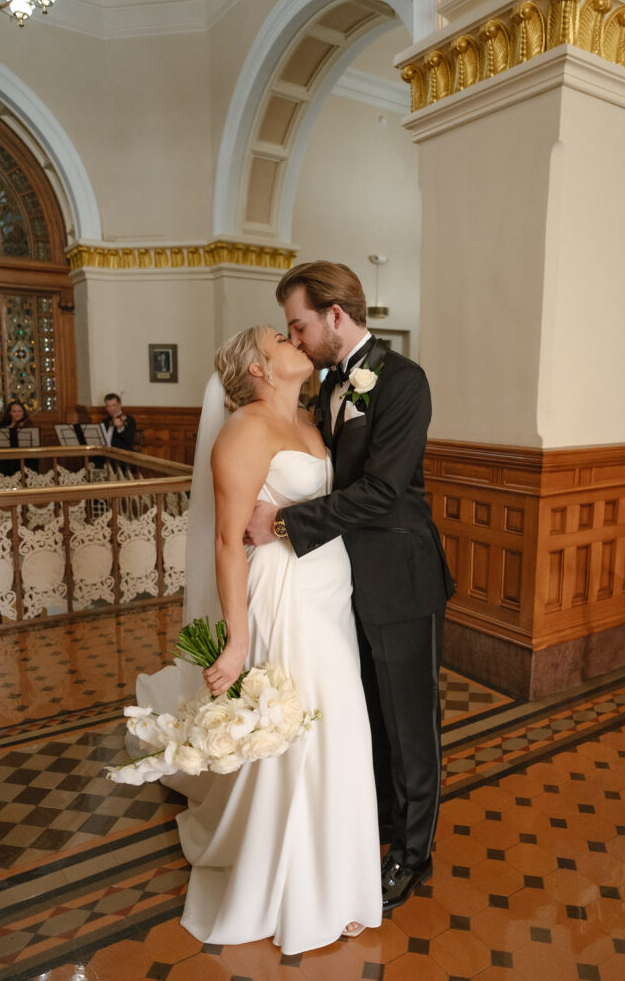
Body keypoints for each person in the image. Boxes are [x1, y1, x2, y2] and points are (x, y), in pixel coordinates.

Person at [135, 325, 381, 954]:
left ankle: (342, 879)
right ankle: (301, 887)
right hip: (288, 594)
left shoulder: (309, 417)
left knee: (342, 726)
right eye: (280, 337)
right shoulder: (243, 431)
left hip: (332, 585)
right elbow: (227, 541)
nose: (293, 338)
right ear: (257, 368)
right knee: (307, 730)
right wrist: (238, 643)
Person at [245, 262, 454, 912]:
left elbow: (384, 490)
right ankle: (382, 830)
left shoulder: (402, 381)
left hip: (399, 578)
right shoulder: (330, 383)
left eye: (299, 324)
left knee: (410, 725)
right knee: (370, 717)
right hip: (340, 584)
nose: (296, 338)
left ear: (336, 315)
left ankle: (413, 855)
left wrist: (282, 522)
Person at [0, 399, 35, 475]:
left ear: (23, 413)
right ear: (9, 413)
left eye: (20, 411)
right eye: (14, 411)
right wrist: (11, 427)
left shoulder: (28, 425)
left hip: (25, 456)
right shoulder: (3, 425)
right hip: (7, 456)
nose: (17, 414)